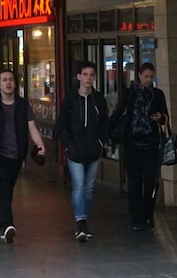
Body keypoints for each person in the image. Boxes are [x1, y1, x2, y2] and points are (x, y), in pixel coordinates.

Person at [0, 68, 46, 244]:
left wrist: (40, 144)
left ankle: (0, 224)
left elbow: (32, 128)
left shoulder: (23, 106)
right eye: (4, 80)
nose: (8, 83)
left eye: (11, 80)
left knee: (7, 190)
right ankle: (8, 225)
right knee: (4, 188)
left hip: (16, 156)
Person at [109, 62, 168, 231]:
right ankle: (136, 218)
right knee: (134, 182)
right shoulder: (130, 94)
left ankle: (148, 215)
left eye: (151, 77)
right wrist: (108, 133)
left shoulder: (157, 94)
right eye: (146, 76)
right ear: (140, 75)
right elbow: (119, 112)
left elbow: (165, 117)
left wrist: (160, 117)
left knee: (150, 181)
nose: (149, 80)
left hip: (151, 142)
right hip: (132, 143)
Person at [55, 61, 109, 242]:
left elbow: (104, 124)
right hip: (75, 151)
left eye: (91, 75)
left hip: (93, 150)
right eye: (85, 74)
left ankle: (84, 219)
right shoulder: (70, 100)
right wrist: (68, 144)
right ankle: (80, 223)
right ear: (78, 76)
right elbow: (61, 124)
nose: (88, 78)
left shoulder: (99, 99)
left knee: (89, 188)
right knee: (78, 186)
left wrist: (100, 142)